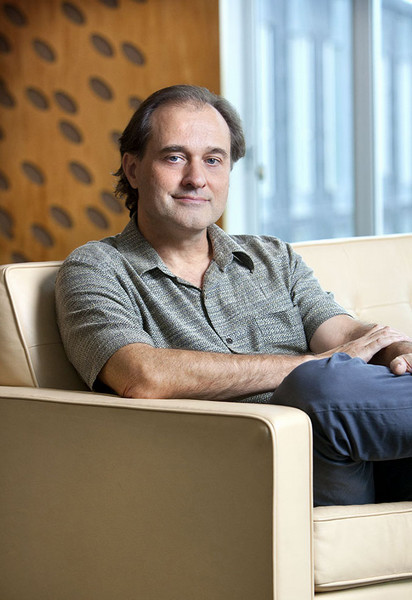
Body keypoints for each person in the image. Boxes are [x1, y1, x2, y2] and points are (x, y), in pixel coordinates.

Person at [55, 84, 412, 507]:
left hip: (363, 451)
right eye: (174, 157)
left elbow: (344, 332)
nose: (196, 178)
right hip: (239, 471)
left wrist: (397, 350)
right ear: (133, 169)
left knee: (343, 381)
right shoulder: (95, 267)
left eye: (213, 160)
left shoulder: (271, 256)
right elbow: (141, 376)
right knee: (316, 388)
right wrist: (308, 367)